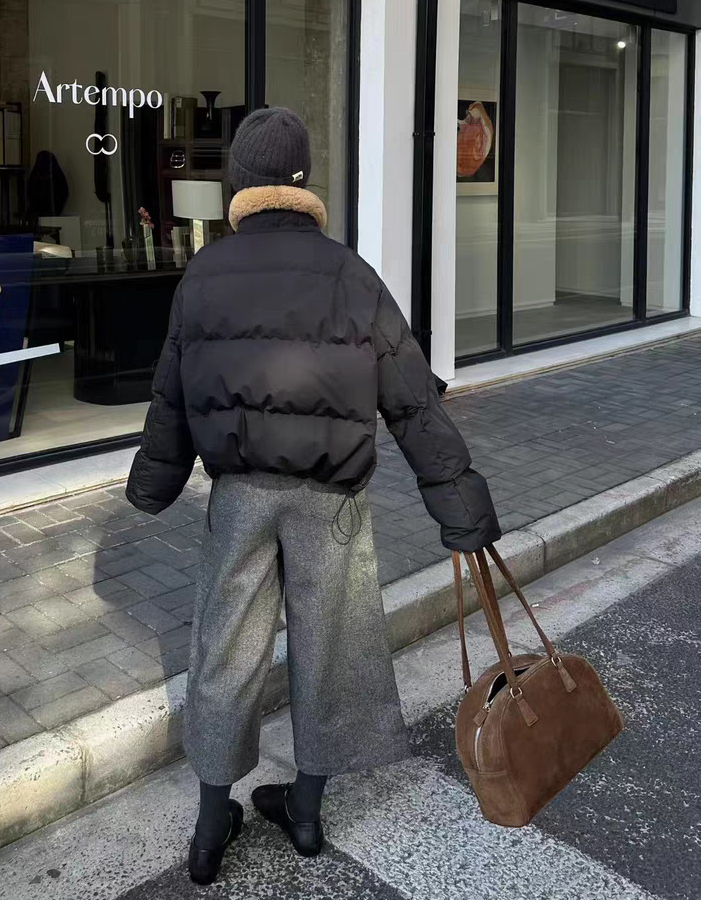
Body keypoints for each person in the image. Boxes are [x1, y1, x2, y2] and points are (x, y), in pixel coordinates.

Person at [125, 108, 500, 885]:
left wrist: (154, 482)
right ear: (302, 184)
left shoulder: (205, 273)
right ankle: (304, 812)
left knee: (224, 653)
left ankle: (209, 826)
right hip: (333, 502)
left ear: (239, 183)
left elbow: (172, 392)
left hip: (240, 495)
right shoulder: (349, 273)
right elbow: (411, 399)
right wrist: (459, 504)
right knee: (333, 652)